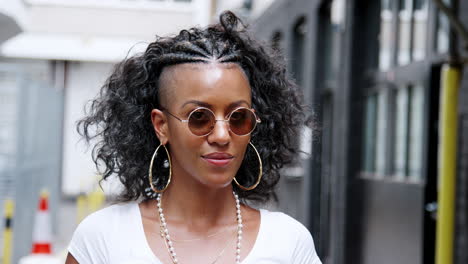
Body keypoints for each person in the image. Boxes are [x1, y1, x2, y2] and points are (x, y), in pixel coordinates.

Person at [66, 11, 321, 264]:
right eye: (200, 118)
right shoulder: (103, 239)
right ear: (161, 126)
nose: (222, 135)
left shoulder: (288, 243)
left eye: (238, 117)